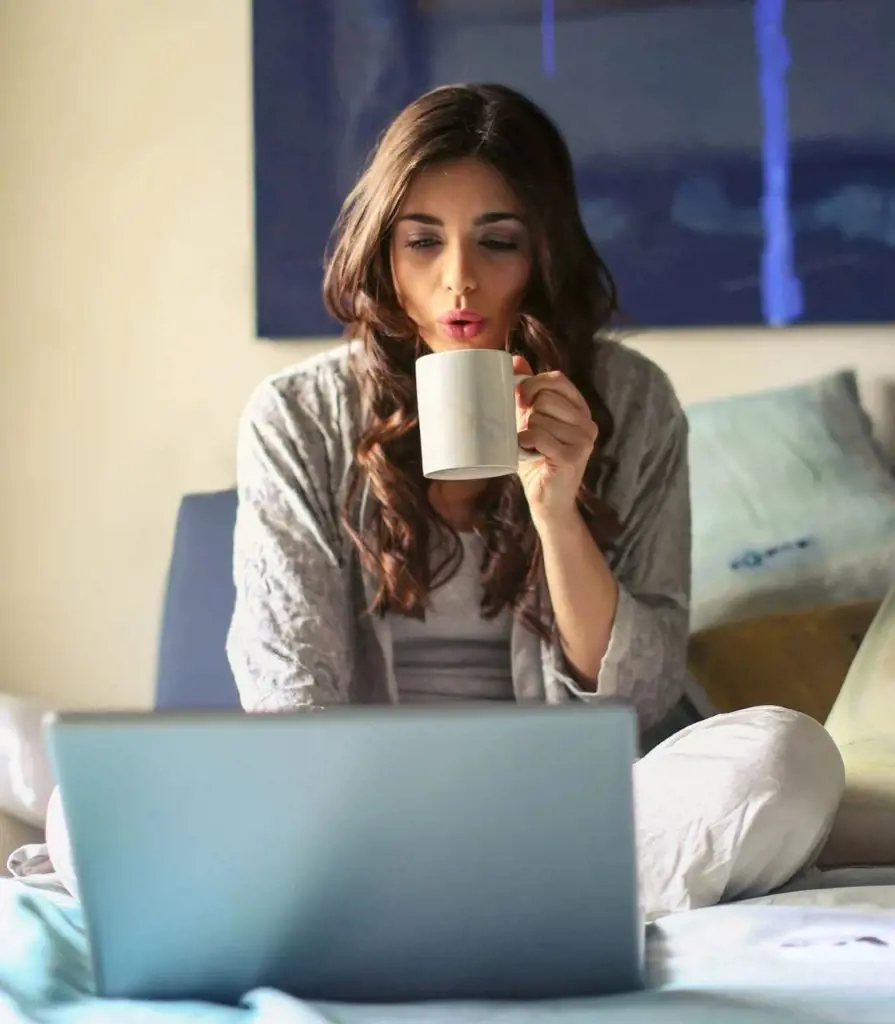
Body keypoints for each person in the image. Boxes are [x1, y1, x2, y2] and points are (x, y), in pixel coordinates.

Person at [45, 84, 844, 918]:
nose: (458, 280)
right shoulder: (299, 417)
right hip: (354, 815)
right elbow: (288, 690)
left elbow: (636, 699)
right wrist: (359, 818)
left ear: (544, 252)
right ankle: (494, 900)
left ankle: (410, 904)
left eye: (496, 242)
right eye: (422, 241)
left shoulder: (632, 403)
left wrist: (557, 506)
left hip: (571, 813)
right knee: (88, 810)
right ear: (382, 253)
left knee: (789, 759)